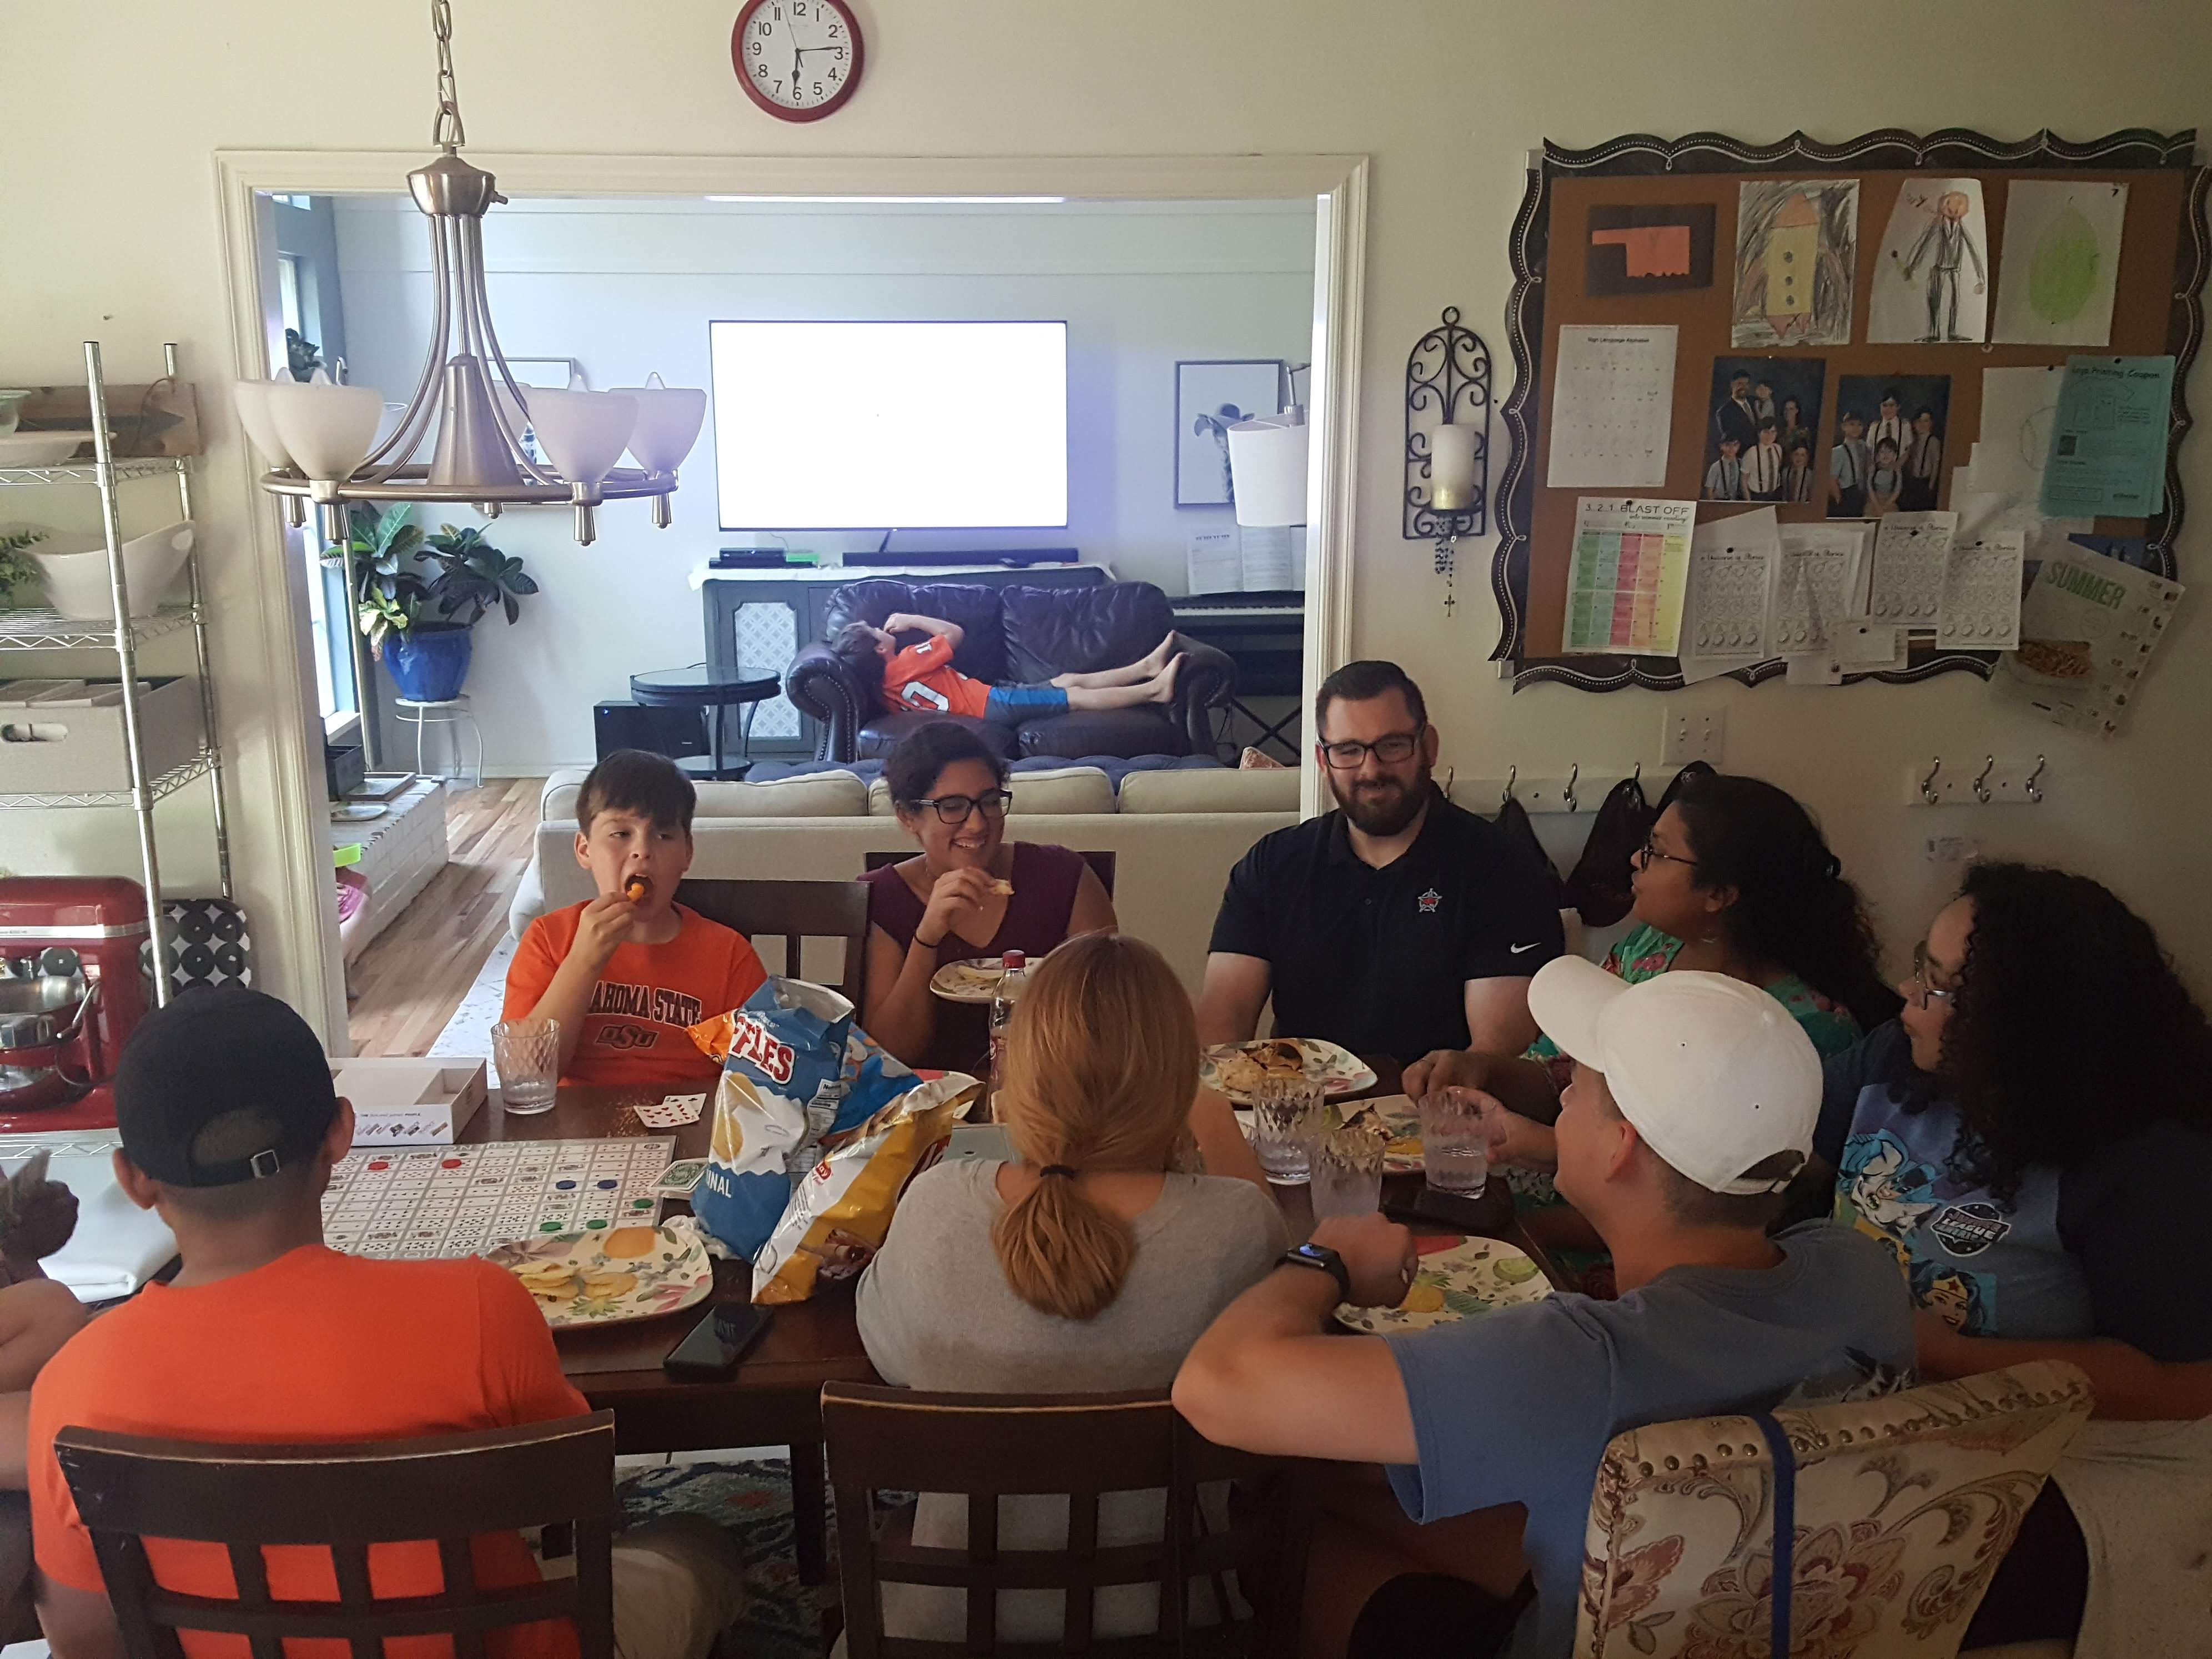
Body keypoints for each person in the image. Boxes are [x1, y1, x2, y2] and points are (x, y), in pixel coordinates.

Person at [1173, 958, 1914, 1659]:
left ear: (1620, 1147)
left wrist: (1326, 1260)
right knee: (1347, 1482)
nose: (1560, 1094)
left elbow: (1217, 1387)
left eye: (1578, 1087)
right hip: (1761, 1607)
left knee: (1291, 1518)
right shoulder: (1862, 1276)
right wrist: (1559, 1154)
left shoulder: (1581, 1360)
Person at [29, 988, 743, 1659]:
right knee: (698, 1544)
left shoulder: (72, 1389)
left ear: (133, 1178)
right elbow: (568, 1497)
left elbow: (84, 1642)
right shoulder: (479, 1307)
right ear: (341, 1132)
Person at [1815, 863, 2212, 1652]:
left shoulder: (2144, 1162)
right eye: (1922, 967)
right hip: (1893, 1394)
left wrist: (1947, 1353)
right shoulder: (1897, 1058)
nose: (1907, 993)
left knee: (1864, 1580)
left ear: (2023, 1028)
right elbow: (1775, 1142)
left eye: (1939, 987)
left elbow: (2184, 1383)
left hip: (2077, 1445)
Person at [857, 933, 1285, 1642]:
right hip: (1176, 1628)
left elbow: (893, 1363)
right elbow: (1285, 1286)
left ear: (1014, 1070)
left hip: (948, 1635)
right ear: (1180, 1080)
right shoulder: (1236, 1229)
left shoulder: (935, 1208)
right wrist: (1212, 1119)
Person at [1416, 772, 1900, 1284]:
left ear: (1719, 893)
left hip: (1630, 1264)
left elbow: (1714, 1217)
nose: (1633, 859)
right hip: (1549, 1202)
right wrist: (1484, 1070)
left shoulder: (1798, 1033)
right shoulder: (1649, 950)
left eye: (1656, 852)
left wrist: (1524, 1226)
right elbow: (1560, 1071)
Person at [1198, 661, 1564, 1068]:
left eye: (1392, 746)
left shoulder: (1502, 870)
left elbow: (1495, 1058)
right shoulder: (1272, 865)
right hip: (1298, 1101)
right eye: (1348, 751)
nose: (1371, 771)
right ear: (1323, 761)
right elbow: (1221, 1032)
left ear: (1428, 747)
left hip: (1441, 1104)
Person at [860, 722, 1116, 1071]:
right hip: (929, 1097)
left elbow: (1112, 1015)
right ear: (907, 817)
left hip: (1051, 1086)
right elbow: (891, 1056)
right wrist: (927, 937)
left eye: (990, 802)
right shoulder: (885, 897)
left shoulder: (1064, 876)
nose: (978, 824)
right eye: (953, 807)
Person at [504, 750, 767, 1088]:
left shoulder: (729, 955)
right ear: (584, 850)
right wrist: (584, 961)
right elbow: (524, 1076)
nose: (643, 851)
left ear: (687, 854)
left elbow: (759, 1081)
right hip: (576, 1116)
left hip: (694, 1114)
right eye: (621, 834)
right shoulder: (549, 938)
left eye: (663, 835)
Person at [830, 612, 1181, 728]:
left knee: (1067, 680)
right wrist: (911, 619)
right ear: (880, 649)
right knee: (1073, 696)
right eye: (875, 630)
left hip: (987, 699)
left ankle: (1145, 667)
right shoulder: (906, 660)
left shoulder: (884, 688)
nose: (880, 626)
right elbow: (954, 634)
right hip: (991, 705)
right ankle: (1153, 691)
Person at [1901, 188, 1985, 343]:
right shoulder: (1937, 224)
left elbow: (1973, 250)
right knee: (1935, 300)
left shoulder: (1961, 227)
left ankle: (1952, 332)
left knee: (1954, 300)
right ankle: (1934, 333)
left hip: (1955, 269)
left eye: (1958, 209)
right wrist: (1912, 267)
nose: (1954, 213)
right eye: (1951, 209)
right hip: (1938, 268)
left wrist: (1980, 278)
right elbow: (1924, 244)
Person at [1827, 409, 1871, 517]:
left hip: (1861, 495)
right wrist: (1839, 499)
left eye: (1859, 425)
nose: (1856, 428)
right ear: (1844, 427)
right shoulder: (1838, 452)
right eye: (1852, 424)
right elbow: (1832, 479)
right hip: (1846, 496)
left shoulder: (1863, 447)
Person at [1902, 406, 1944, 510]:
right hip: (1912, 482)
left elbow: (1935, 465)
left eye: (1926, 421)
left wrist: (1931, 485)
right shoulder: (1912, 441)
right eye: (1919, 421)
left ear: (1931, 423)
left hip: (1925, 482)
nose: (1922, 424)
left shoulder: (1933, 441)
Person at [1712, 370, 1758, 453]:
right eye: (1740, 384)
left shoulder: (1756, 402)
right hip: (1742, 456)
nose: (1744, 387)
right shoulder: (1724, 412)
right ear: (1732, 384)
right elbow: (1729, 441)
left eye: (1747, 384)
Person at [1741, 417, 1784, 501]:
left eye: (1773, 432)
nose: (1770, 435)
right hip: (1758, 496)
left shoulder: (1778, 449)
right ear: (1759, 433)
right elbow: (1744, 479)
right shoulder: (1751, 452)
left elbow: (1778, 469)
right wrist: (1749, 501)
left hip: (1776, 494)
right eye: (1766, 432)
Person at [1865, 434, 1905, 515]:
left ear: (1895, 454)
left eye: (1889, 452)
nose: (1886, 455)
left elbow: (1897, 490)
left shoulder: (1896, 470)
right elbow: (1870, 488)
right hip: (1874, 501)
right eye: (1882, 452)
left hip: (1890, 502)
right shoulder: (1873, 469)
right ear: (1878, 454)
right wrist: (1877, 506)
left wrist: (1886, 506)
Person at [1867, 389, 1909, 459]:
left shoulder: (1905, 426)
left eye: (1892, 405)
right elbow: (1869, 450)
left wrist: (1898, 463)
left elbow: (1909, 450)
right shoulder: (1874, 427)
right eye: (1885, 405)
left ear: (1898, 407)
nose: (1888, 409)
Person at [1701, 434, 1743, 500]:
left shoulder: (1742, 464)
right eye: (1728, 445)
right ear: (1721, 446)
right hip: (1719, 500)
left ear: (1739, 446)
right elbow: (1709, 490)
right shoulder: (1716, 467)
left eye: (1735, 445)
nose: (1731, 448)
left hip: (1738, 501)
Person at [1782, 439, 1816, 503]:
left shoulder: (1810, 475)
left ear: (1807, 458)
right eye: (1796, 454)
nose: (1799, 458)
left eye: (1803, 455)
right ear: (1791, 456)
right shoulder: (1785, 472)